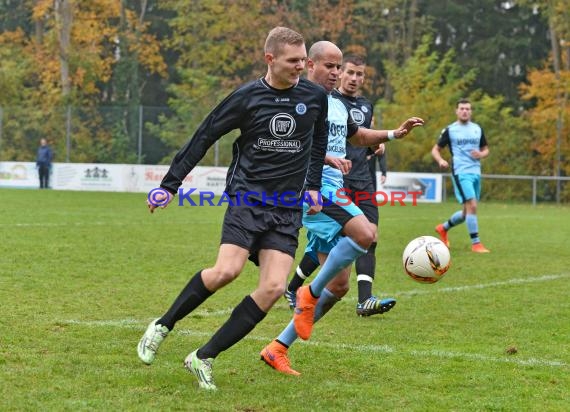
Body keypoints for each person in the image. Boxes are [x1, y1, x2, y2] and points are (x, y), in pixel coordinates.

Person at [136, 26, 330, 390]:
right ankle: (162, 325)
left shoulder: (315, 97)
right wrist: (169, 186)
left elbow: (318, 138)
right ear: (270, 59)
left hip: (287, 208)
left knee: (273, 288)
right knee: (227, 271)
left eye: (304, 60)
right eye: (293, 61)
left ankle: (203, 357)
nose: (301, 66)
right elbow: (205, 136)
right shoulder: (246, 98)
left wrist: (314, 185)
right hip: (248, 199)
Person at [260, 41, 424, 375]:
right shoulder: (299, 99)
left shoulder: (335, 104)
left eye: (339, 67)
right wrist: (323, 160)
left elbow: (357, 136)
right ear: (310, 65)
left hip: (335, 187)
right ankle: (307, 294)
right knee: (366, 233)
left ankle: (278, 347)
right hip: (314, 190)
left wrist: (394, 133)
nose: (336, 73)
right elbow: (288, 145)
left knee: (339, 287)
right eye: (330, 67)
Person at [283, 54, 396, 317]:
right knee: (356, 237)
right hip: (325, 183)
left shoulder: (363, 106)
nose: (353, 78)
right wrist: (326, 160)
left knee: (352, 258)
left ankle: (357, 299)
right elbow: (299, 143)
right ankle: (300, 290)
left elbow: (360, 136)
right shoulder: (316, 99)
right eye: (346, 71)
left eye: (360, 74)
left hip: (360, 180)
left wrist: (386, 139)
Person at [432, 98, 490, 253]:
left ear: (471, 111)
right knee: (472, 206)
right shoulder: (450, 130)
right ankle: (476, 244)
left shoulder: (477, 129)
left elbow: (486, 149)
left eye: (468, 109)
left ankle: (443, 228)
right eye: (462, 108)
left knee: (466, 212)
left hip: (475, 172)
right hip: (460, 172)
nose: (465, 111)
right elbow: (435, 149)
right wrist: (441, 160)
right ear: (456, 111)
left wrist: (481, 154)